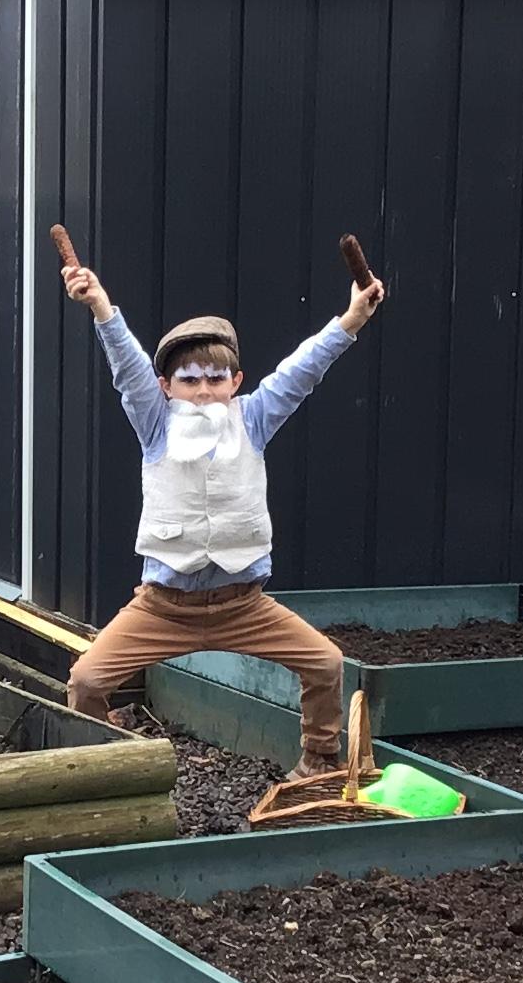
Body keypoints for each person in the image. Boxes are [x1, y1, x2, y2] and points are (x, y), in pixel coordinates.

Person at [54, 229, 384, 775]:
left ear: (236, 381)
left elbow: (301, 372)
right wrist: (100, 305)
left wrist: (350, 320)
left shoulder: (252, 418)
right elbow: (127, 365)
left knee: (326, 663)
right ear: (166, 385)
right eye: (189, 380)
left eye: (215, 379)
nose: (204, 390)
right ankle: (109, 760)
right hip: (164, 607)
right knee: (86, 681)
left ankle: (318, 761)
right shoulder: (155, 423)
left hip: (243, 605)